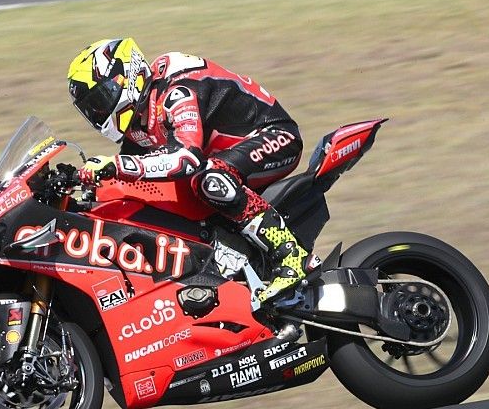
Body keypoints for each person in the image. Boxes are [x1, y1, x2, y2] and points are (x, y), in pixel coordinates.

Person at [67, 38, 315, 304]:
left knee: (209, 179)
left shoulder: (177, 90)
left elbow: (186, 158)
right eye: (91, 108)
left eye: (102, 98)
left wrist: (116, 165)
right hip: (223, 157)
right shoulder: (139, 120)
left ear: (128, 75)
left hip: (275, 136)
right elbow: (127, 178)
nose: (99, 111)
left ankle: (290, 254)